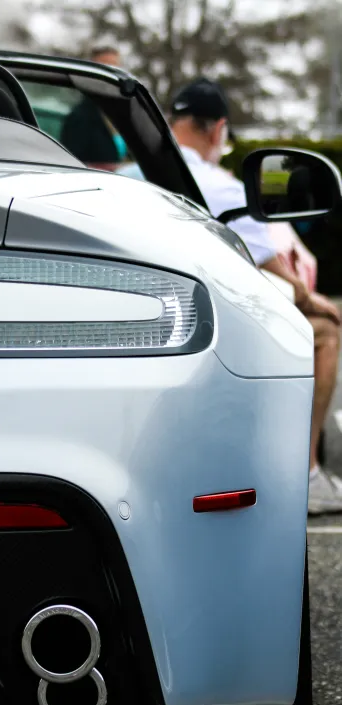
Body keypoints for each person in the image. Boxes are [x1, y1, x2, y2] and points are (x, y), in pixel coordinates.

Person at [118, 77, 342, 514]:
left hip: (128, 321)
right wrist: (309, 297)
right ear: (219, 129)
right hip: (201, 324)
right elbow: (266, 258)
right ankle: (309, 474)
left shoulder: (121, 178)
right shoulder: (221, 185)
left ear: (173, 122)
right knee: (325, 329)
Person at [59, 46, 127, 169]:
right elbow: (72, 165)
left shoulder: (125, 112)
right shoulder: (79, 117)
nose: (111, 74)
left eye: (115, 68)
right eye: (105, 68)